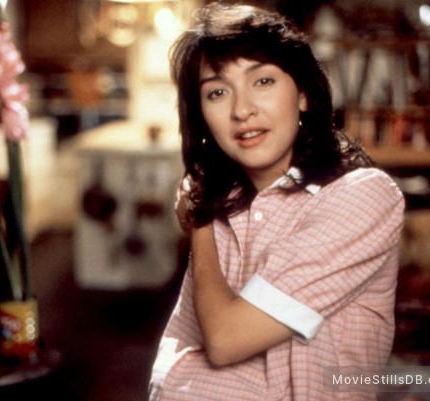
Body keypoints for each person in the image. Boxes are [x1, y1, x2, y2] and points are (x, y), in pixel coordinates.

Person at [148, 3, 405, 400]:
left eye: (263, 81)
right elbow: (171, 368)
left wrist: (199, 217)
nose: (242, 110)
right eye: (217, 92)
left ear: (302, 94)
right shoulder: (227, 204)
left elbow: (225, 339)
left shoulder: (363, 196)